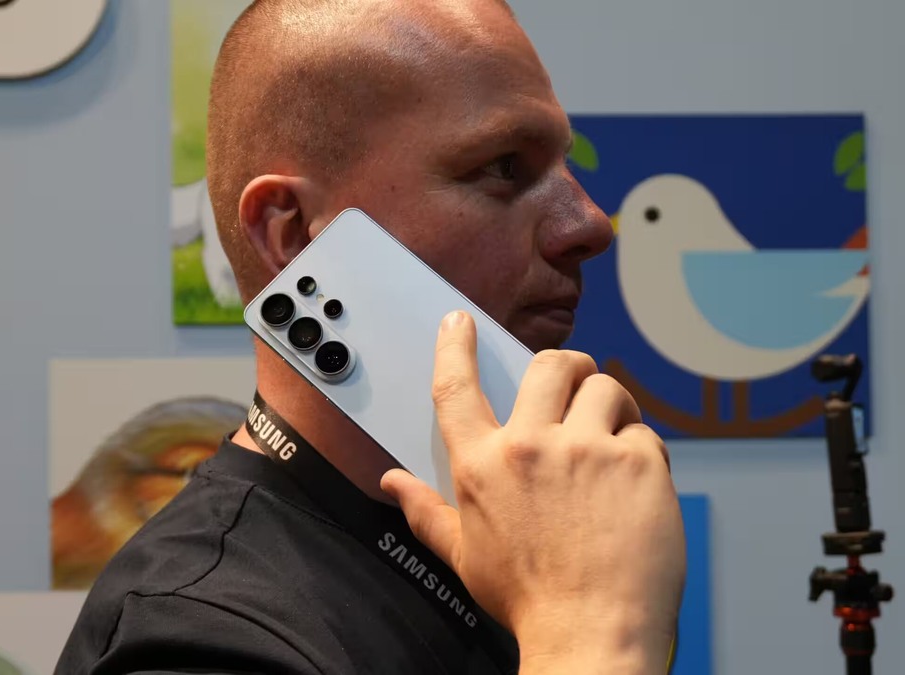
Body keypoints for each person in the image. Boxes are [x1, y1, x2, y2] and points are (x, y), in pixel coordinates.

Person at [54, 0, 686, 673]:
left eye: (565, 165)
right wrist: (590, 634)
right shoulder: (195, 636)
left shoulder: (514, 553)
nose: (589, 223)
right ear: (294, 234)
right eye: (505, 166)